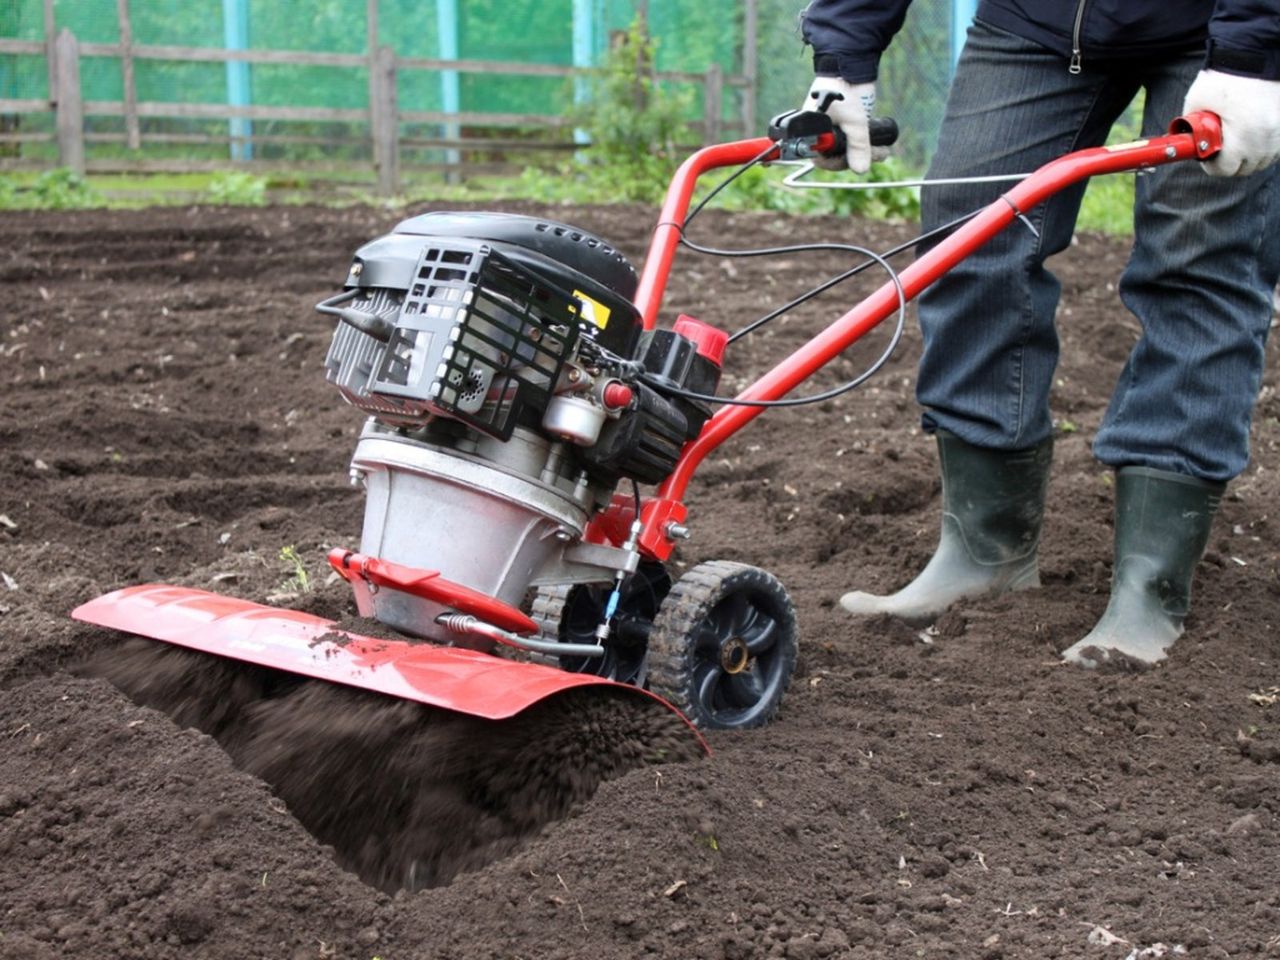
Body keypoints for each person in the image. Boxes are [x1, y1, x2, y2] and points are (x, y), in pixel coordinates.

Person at [799, 1, 1280, 667]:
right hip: (1038, 19)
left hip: (1220, 24)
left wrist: (1252, 52)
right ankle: (982, 552)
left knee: (1198, 261)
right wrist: (843, 56)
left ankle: (1150, 587)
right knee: (971, 231)